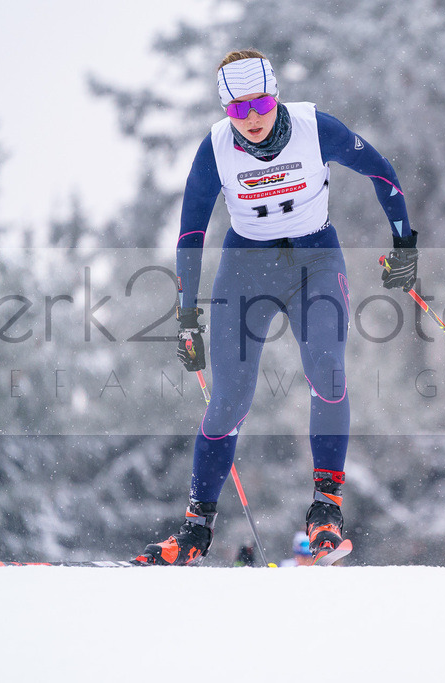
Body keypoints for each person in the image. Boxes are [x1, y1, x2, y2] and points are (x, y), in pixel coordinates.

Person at [133, 49, 417, 566]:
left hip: (315, 260)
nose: (253, 118)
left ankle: (326, 509)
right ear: (226, 110)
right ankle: (196, 530)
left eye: (260, 102)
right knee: (228, 401)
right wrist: (185, 319)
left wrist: (405, 243)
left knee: (326, 372)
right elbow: (191, 233)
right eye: (238, 109)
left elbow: (381, 172)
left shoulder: (314, 127)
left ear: (275, 94)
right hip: (246, 270)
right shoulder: (217, 149)